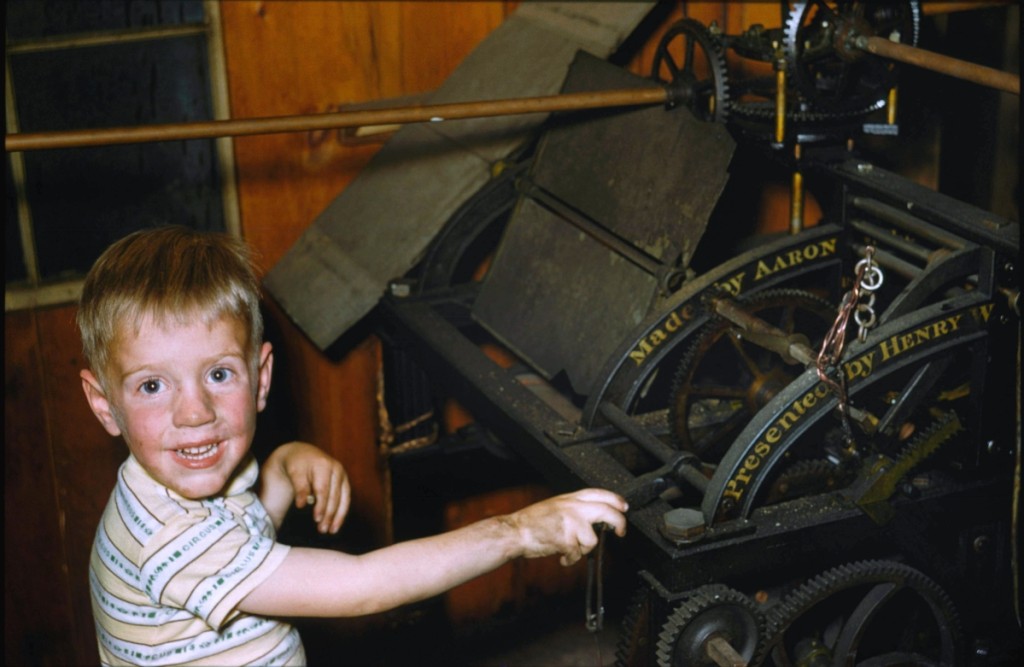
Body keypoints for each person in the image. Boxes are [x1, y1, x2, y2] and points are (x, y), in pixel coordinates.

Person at [77, 225, 628, 666]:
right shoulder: (168, 539)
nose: (194, 412)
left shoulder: (181, 481)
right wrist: (517, 531)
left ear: (260, 378)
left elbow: (241, 531)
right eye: (152, 385)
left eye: (219, 375)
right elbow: (361, 587)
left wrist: (286, 466)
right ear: (105, 406)